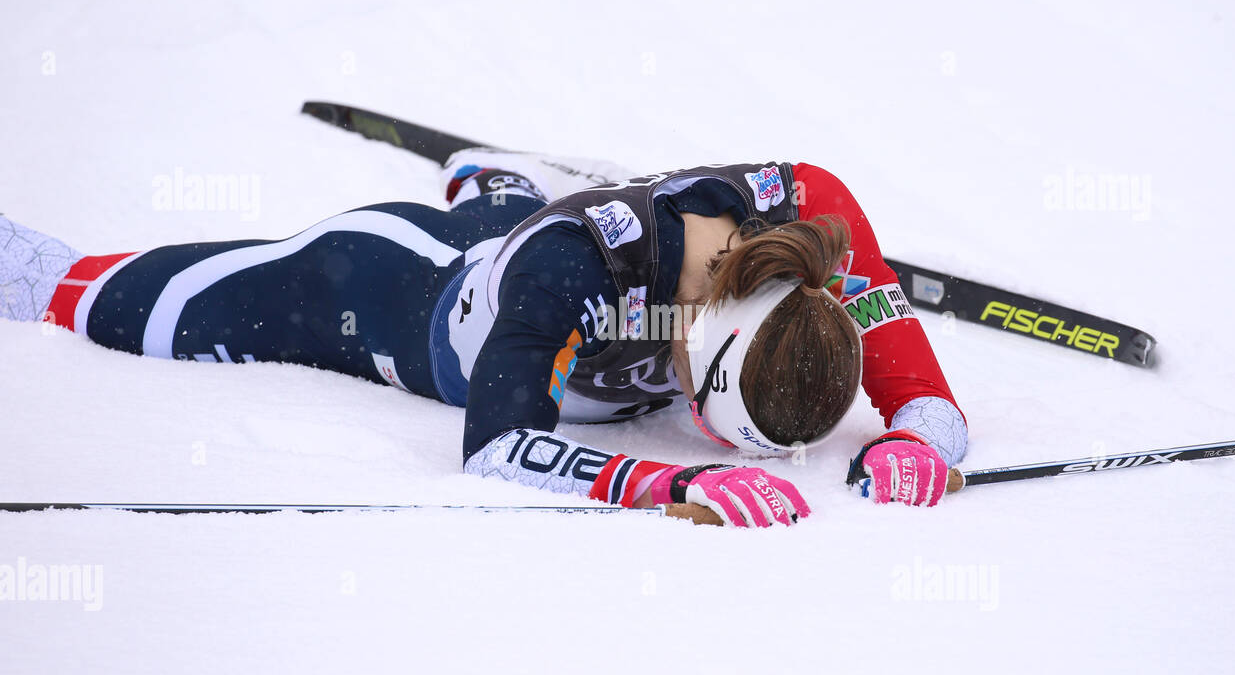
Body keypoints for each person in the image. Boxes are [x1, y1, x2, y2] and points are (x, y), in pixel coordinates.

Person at [1, 150, 966, 526]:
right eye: (715, 422)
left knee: (510, 223)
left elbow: (907, 369)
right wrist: (672, 483)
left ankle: (504, 181)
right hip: (398, 293)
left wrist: (923, 430)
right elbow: (496, 447)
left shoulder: (797, 224)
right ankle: (40, 269)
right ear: (702, 336)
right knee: (149, 313)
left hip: (531, 260)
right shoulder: (572, 270)